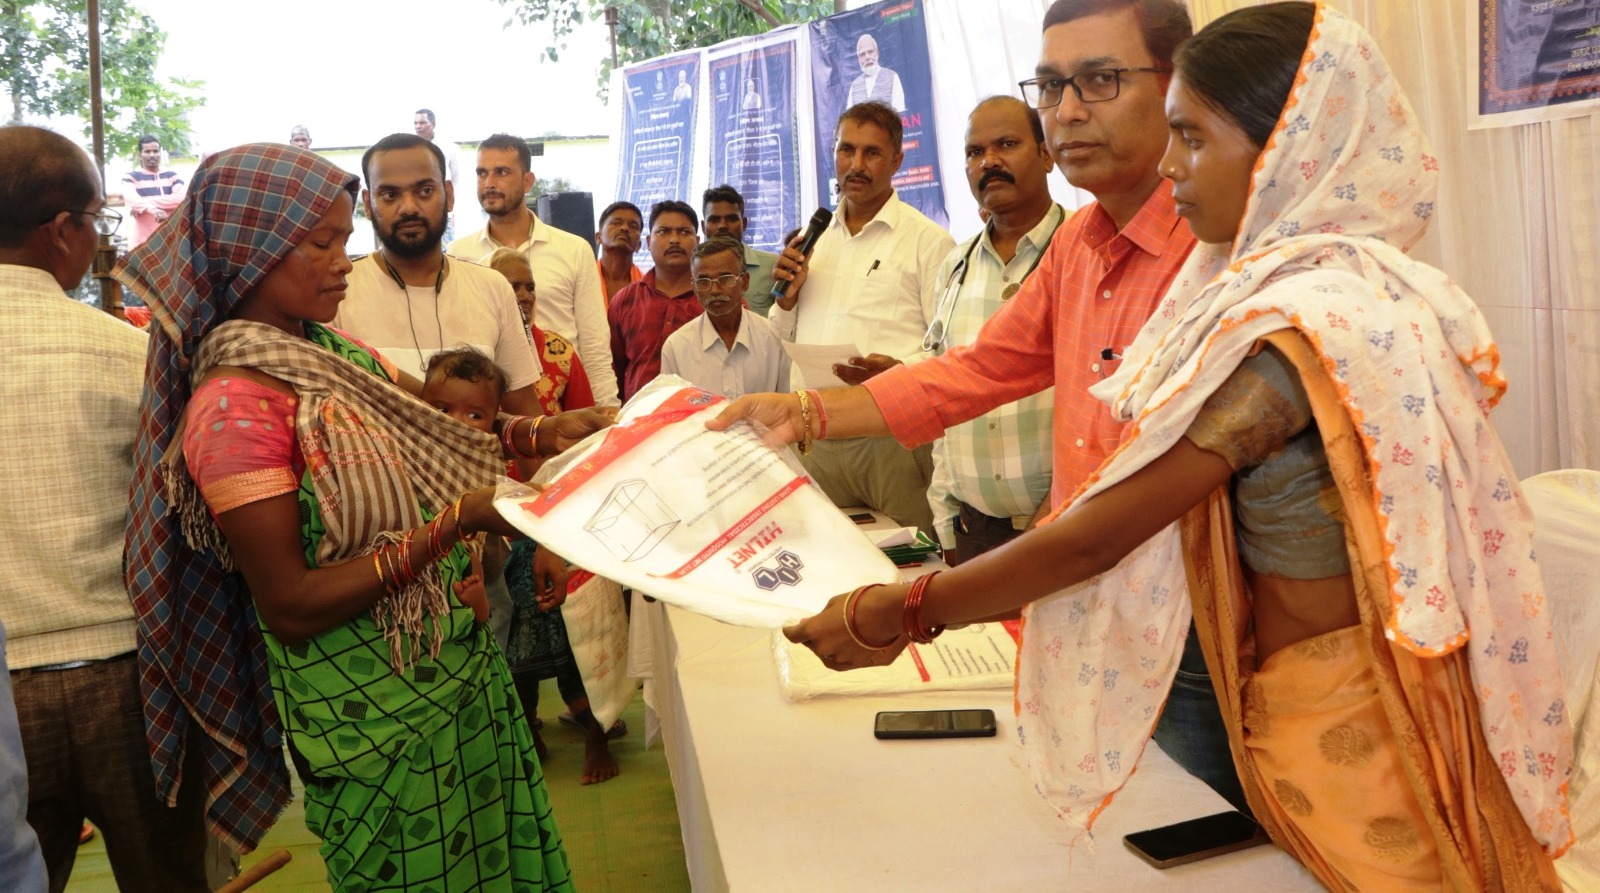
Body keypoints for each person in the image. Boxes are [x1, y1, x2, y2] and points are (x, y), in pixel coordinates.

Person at [720, 4, 1574, 889]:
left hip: (1255, 656)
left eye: (1101, 82)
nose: (1067, 112)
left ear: (1284, 143)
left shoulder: (1277, 300)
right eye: (1051, 86)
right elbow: (978, 371)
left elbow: (1104, 530)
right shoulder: (1153, 257)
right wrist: (808, 412)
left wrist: (898, 612)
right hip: (1138, 619)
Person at [117, 142, 609, 890]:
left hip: (457, 668)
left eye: (343, 240)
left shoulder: (328, 351)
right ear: (251, 253)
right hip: (370, 720)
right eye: (319, 244)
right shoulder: (233, 409)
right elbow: (291, 606)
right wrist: (453, 523)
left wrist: (538, 432)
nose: (341, 262)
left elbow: (434, 415)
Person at [1, 124, 210, 893]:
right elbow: (189, 514)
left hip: (4, 698)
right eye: (98, 220)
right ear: (62, 231)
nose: (101, 238)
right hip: (128, 681)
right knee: (167, 878)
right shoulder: (127, 351)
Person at [767, 100, 954, 533]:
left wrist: (899, 371)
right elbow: (780, 337)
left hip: (890, 436)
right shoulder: (810, 241)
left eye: (872, 153)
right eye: (846, 150)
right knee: (828, 559)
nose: (856, 165)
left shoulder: (929, 242)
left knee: (907, 564)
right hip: (815, 435)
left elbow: (948, 351)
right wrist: (786, 303)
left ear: (897, 162)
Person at [479, 249, 621, 784]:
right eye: (509, 287)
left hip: (562, 503)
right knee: (512, 617)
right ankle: (528, 727)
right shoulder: (474, 359)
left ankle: (593, 724)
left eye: (528, 286)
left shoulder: (560, 352)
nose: (522, 295)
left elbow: (586, 436)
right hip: (494, 506)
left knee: (573, 613)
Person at [925, 96, 1064, 566]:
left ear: (1046, 154)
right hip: (975, 533)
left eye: (1006, 144)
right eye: (975, 152)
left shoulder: (1084, 250)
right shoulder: (955, 266)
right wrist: (945, 519)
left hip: (1066, 528)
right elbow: (945, 400)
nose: (989, 162)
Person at [334, 133, 545, 419]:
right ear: (368, 204)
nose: (409, 207)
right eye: (390, 195)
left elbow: (525, 415)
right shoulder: (337, 292)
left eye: (424, 191)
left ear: (449, 195)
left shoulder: (493, 288)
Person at [449, 134, 619, 406]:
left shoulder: (573, 250)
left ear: (528, 181)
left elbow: (595, 346)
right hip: (488, 408)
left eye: (501, 172)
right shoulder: (458, 255)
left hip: (561, 408)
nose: (489, 183)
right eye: (481, 173)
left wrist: (607, 411)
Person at [661, 237, 790, 399]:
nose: (715, 290)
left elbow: (788, 402)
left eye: (725, 278)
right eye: (704, 281)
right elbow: (673, 410)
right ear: (694, 287)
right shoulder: (676, 347)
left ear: (744, 282)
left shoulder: (774, 338)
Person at [607, 200, 702, 402]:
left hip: (701, 415)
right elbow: (614, 369)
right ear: (649, 242)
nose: (674, 240)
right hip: (637, 415)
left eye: (684, 232)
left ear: (698, 241)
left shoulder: (714, 298)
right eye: (664, 232)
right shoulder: (624, 300)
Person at [485, 248, 596, 415]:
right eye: (513, 287)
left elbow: (585, 421)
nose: (525, 297)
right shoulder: (474, 349)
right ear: (487, 292)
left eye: (530, 288)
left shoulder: (560, 352)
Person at [702, 184, 778, 315]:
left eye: (731, 219)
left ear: (744, 224)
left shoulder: (773, 266)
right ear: (703, 227)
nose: (723, 226)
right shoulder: (692, 271)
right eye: (714, 220)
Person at [120, 134, 186, 248]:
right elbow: (130, 198)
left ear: (160, 153)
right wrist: (152, 209)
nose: (152, 155)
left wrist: (144, 204)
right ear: (139, 155)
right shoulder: (131, 177)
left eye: (155, 151)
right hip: (143, 242)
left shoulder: (172, 176)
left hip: (170, 239)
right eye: (147, 151)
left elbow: (180, 199)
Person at [413, 109, 459, 241]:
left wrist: (451, 207)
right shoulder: (409, 149)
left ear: (433, 124)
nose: (418, 126)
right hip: (417, 206)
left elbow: (456, 178)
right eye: (415, 123)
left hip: (443, 207)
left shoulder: (449, 147)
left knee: (446, 247)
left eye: (422, 123)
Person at [594, 200, 644, 306]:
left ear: (639, 245)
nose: (625, 228)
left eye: (633, 226)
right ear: (598, 237)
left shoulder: (649, 289)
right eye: (616, 223)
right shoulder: (580, 279)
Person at [846, 34, 906, 112]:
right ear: (858, 59)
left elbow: (899, 113)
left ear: (877, 53)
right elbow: (850, 117)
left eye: (870, 51)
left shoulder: (892, 78)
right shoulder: (854, 86)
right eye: (862, 54)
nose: (867, 57)